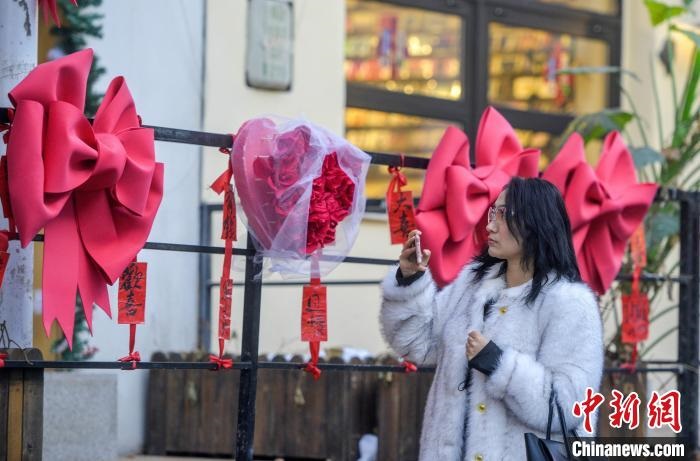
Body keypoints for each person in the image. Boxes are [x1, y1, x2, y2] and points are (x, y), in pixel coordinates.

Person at [380, 177, 604, 460]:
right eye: (492, 212)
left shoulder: (569, 303)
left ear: (536, 223)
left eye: (503, 215)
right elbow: (417, 343)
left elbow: (570, 407)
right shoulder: (472, 284)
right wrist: (409, 281)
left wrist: (500, 364)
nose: (490, 225)